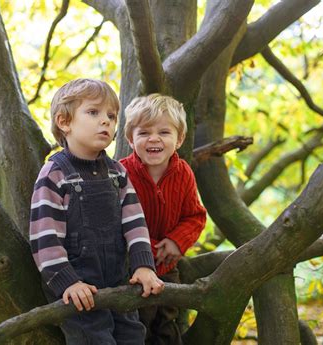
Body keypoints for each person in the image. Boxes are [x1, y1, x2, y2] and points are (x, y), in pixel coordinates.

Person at [29, 79, 164, 345]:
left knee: (133, 336)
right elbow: (44, 238)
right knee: (94, 340)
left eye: (111, 116)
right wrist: (68, 283)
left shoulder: (117, 173)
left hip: (118, 281)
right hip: (79, 291)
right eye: (93, 113)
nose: (106, 122)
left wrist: (143, 265)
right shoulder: (55, 175)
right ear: (64, 122)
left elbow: (135, 223)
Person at [120, 94, 207, 345]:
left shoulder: (184, 174)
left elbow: (195, 216)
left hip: (167, 266)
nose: (154, 138)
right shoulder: (121, 174)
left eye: (164, 132)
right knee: (138, 324)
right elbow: (114, 222)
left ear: (179, 139)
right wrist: (146, 246)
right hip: (130, 267)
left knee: (167, 325)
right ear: (130, 139)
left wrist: (176, 241)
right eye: (144, 132)